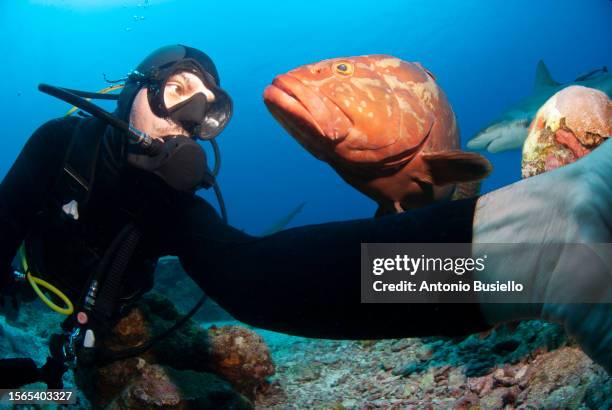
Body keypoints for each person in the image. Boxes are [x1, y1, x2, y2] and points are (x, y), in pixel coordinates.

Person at [0, 45, 610, 390]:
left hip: (114, 310)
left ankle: (540, 250)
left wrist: (519, 251)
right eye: (179, 95)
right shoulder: (61, 145)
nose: (185, 123)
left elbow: (261, 278)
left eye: (205, 115)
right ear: (137, 88)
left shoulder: (171, 202)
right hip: (38, 282)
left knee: (254, 279)